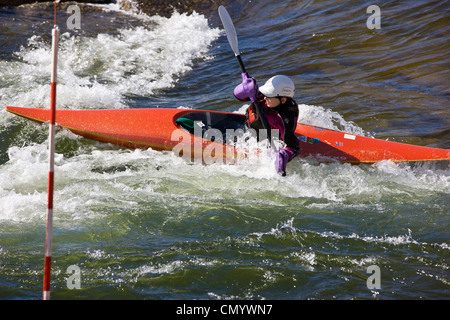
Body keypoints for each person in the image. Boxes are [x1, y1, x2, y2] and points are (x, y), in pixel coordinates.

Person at [234, 74, 299, 176]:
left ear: (283, 100)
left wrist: (283, 155)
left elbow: (294, 147)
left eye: (269, 96)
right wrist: (244, 88)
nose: (265, 97)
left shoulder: (285, 119)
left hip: (267, 138)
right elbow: (238, 96)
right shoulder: (269, 97)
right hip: (248, 129)